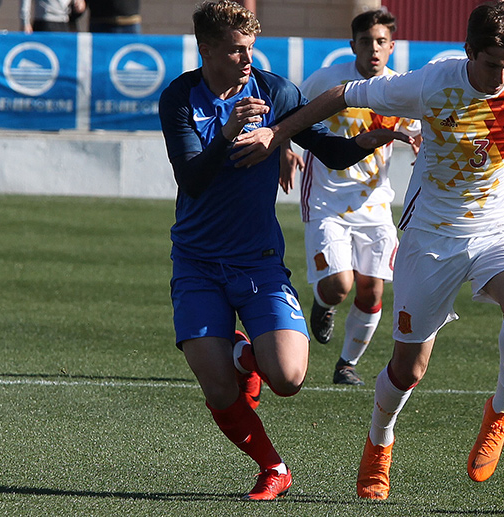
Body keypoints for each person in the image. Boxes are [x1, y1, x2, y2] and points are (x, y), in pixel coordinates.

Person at [237, 0, 504, 500]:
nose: (500, 74)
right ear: (470, 50)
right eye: (492, 63)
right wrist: (280, 134)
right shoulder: (432, 83)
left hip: (501, 223)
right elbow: (342, 95)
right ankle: (379, 442)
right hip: (432, 236)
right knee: (408, 368)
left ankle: (501, 411)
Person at [158, 0, 410, 501]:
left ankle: (242, 352)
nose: (247, 58)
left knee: (290, 378)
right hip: (198, 262)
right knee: (219, 391)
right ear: (205, 49)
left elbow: (331, 151)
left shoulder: (274, 91)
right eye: (235, 50)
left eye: (251, 47)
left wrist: (381, 133)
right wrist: (228, 132)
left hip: (258, 263)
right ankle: (273, 467)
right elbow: (192, 178)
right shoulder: (180, 97)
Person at [292, 8, 421, 386]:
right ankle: (324, 302)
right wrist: (286, 148)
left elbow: (420, 129)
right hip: (326, 199)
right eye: (366, 42)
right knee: (339, 286)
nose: (374, 50)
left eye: (381, 42)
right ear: (353, 46)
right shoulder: (329, 81)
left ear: (392, 46)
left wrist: (422, 145)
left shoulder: (400, 89)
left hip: (376, 202)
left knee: (372, 289)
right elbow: (291, 109)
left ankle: (346, 364)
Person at [20, 0, 85, 32]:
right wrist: (25, 22)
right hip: (45, 21)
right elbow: (26, 2)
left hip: (64, 22)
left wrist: (79, 3)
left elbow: (79, 4)